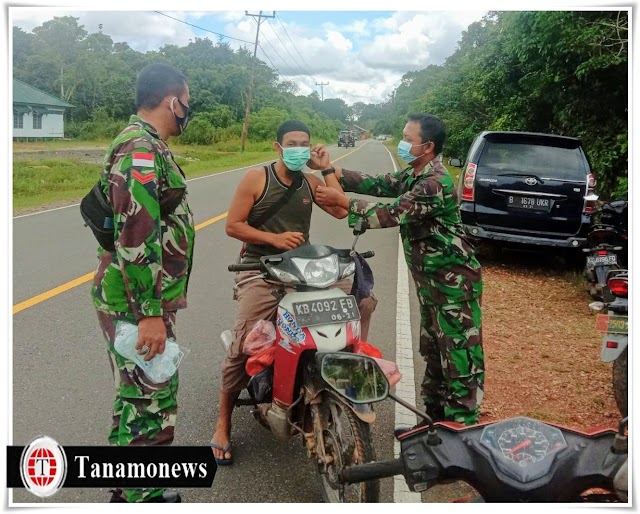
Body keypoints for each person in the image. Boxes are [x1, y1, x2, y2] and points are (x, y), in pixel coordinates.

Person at [210, 120, 378, 464]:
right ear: (278, 146)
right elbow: (233, 226)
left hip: (303, 267)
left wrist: (327, 168)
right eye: (292, 142)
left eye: (305, 142)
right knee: (245, 340)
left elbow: (341, 208)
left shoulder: (309, 180)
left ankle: (349, 365)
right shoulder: (258, 178)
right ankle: (223, 422)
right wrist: (273, 240)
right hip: (258, 267)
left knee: (363, 300)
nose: (299, 147)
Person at [314, 114, 484, 425]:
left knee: (459, 357)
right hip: (432, 284)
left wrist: (344, 202)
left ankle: (462, 430)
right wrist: (328, 168)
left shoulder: (434, 183)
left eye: (409, 139)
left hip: (454, 286)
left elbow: (392, 213)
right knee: (434, 352)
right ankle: (434, 422)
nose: (403, 143)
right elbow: (379, 184)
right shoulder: (415, 174)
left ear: (428, 146)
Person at [90, 63, 195, 503]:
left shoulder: (143, 143)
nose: (187, 112)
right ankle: (145, 495)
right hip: (137, 301)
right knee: (153, 395)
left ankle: (123, 484)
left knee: (134, 392)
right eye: (185, 104)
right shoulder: (140, 148)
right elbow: (136, 234)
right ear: (172, 102)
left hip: (133, 297)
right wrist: (150, 313)